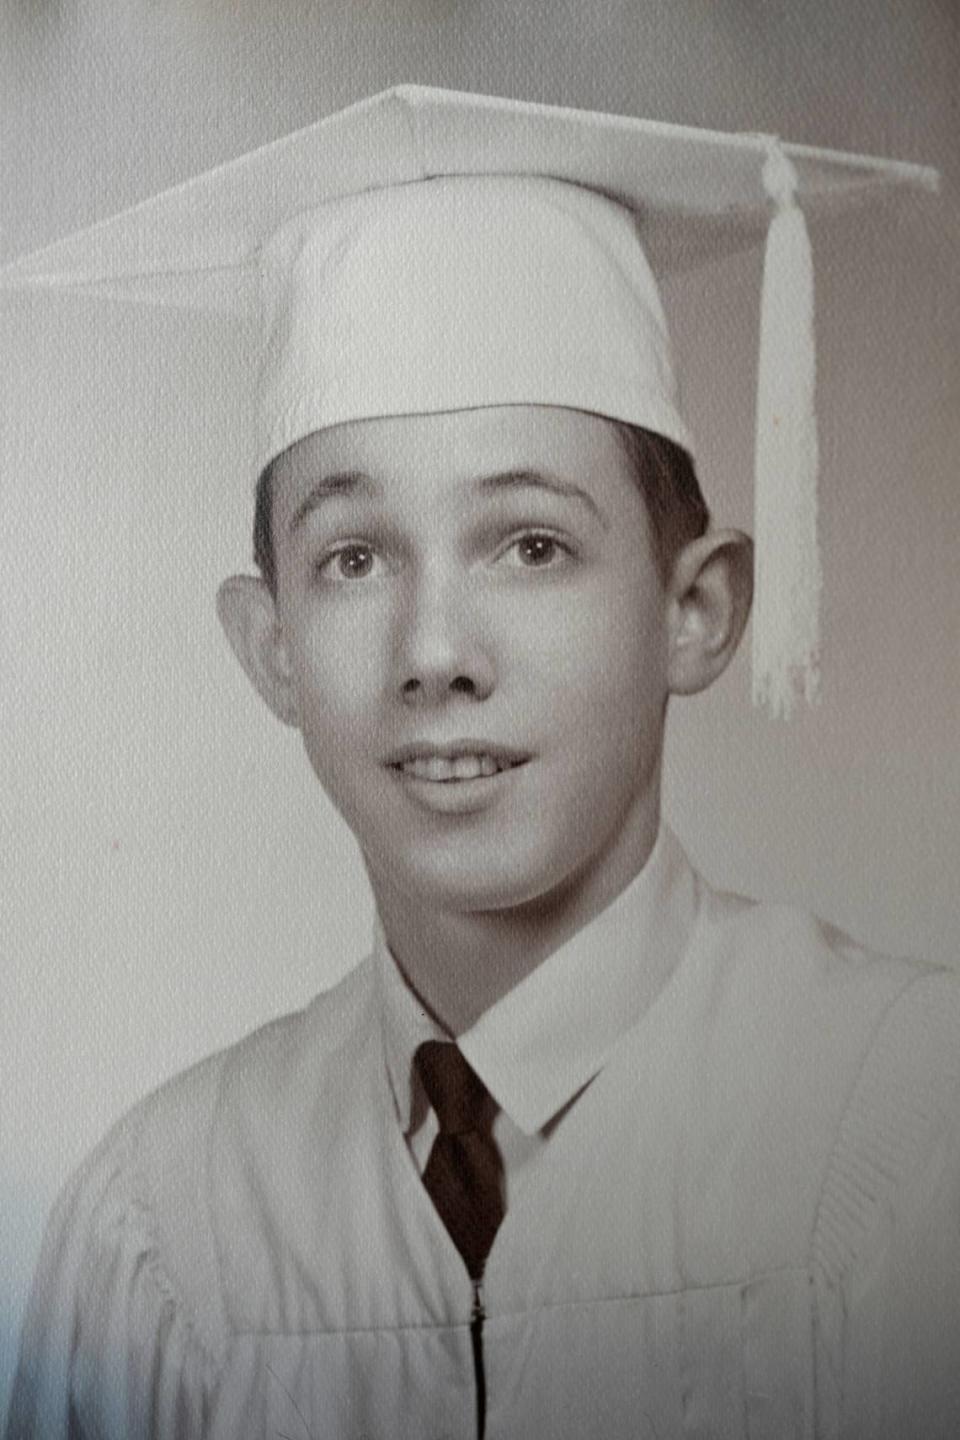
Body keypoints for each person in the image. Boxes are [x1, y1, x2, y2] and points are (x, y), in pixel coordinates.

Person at [4, 87, 958, 1440]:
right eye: (353, 558)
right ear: (270, 646)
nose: (435, 650)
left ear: (695, 610)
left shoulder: (914, 1135)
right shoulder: (163, 1222)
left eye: (532, 545)